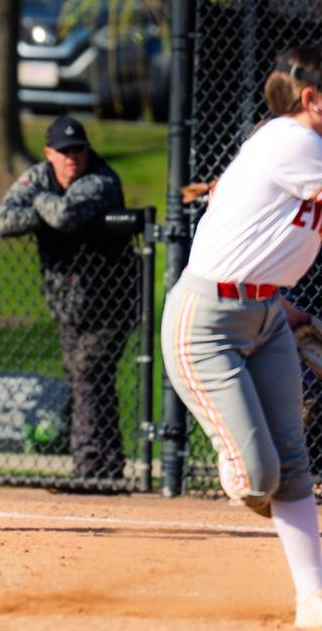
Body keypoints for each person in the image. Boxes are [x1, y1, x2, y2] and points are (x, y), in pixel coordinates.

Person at [161, 47, 322, 628]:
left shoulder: (298, 144)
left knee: (293, 464)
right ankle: (248, 472)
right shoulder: (293, 140)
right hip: (205, 325)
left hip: (267, 316)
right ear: (311, 99)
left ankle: (314, 602)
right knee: (262, 477)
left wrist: (288, 309)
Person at [0, 114, 137, 486]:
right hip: (69, 303)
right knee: (88, 377)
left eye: (78, 150)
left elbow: (65, 215)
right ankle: (107, 465)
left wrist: (39, 201)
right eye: (64, 151)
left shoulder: (101, 179)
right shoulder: (39, 175)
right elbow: (3, 222)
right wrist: (45, 205)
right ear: (49, 153)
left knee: (88, 371)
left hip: (114, 301)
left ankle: (89, 466)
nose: (73, 157)